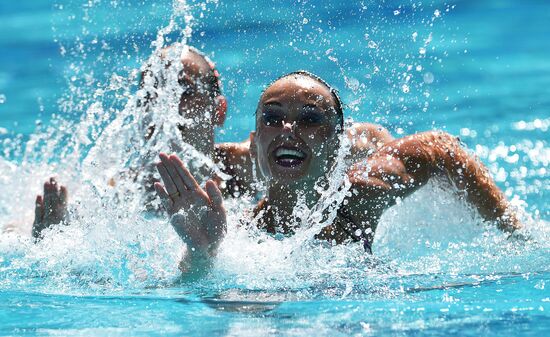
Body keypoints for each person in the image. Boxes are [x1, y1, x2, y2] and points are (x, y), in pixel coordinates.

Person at [154, 71, 521, 276]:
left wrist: (514, 234)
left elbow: (442, 146)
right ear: (254, 144)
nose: (287, 129)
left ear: (339, 146)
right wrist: (201, 253)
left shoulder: (359, 195)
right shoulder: (240, 230)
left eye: (310, 119)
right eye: (272, 116)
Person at [31, 45, 228, 239]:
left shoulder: (245, 174)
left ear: (218, 111)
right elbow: (12, 232)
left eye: (184, 91)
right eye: (153, 93)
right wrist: (52, 236)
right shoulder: (121, 192)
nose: (165, 105)